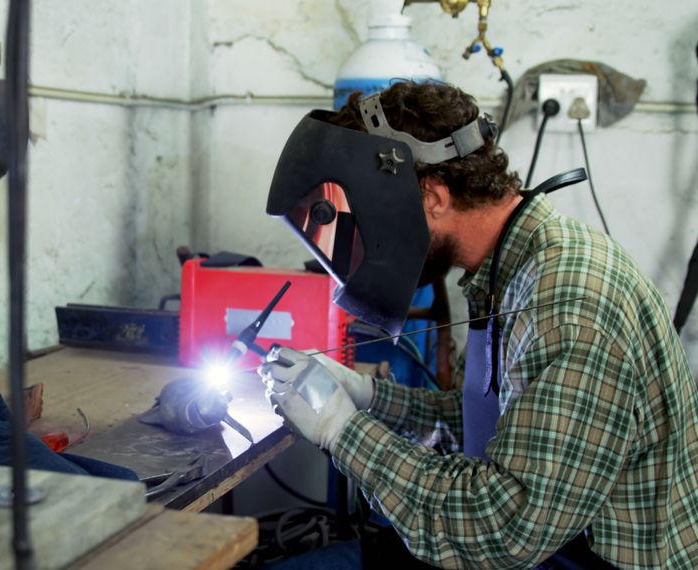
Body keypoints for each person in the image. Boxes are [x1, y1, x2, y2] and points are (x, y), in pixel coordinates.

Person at [258, 81, 698, 569]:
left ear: (432, 197)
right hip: (553, 541)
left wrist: (341, 431)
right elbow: (494, 422)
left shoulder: (569, 300)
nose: (356, 241)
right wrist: (368, 396)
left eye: (358, 219)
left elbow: (504, 529)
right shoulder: (514, 264)